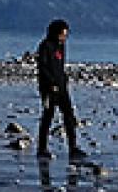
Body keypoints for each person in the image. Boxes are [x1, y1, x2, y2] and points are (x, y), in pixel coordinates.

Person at [36, 19, 86, 160]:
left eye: (66, 35)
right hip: (48, 88)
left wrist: (64, 81)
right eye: (62, 34)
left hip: (62, 87)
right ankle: (42, 148)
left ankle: (73, 147)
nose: (64, 37)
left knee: (69, 116)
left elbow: (60, 66)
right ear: (55, 33)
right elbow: (43, 68)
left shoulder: (61, 46)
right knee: (48, 117)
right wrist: (51, 83)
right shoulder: (45, 46)